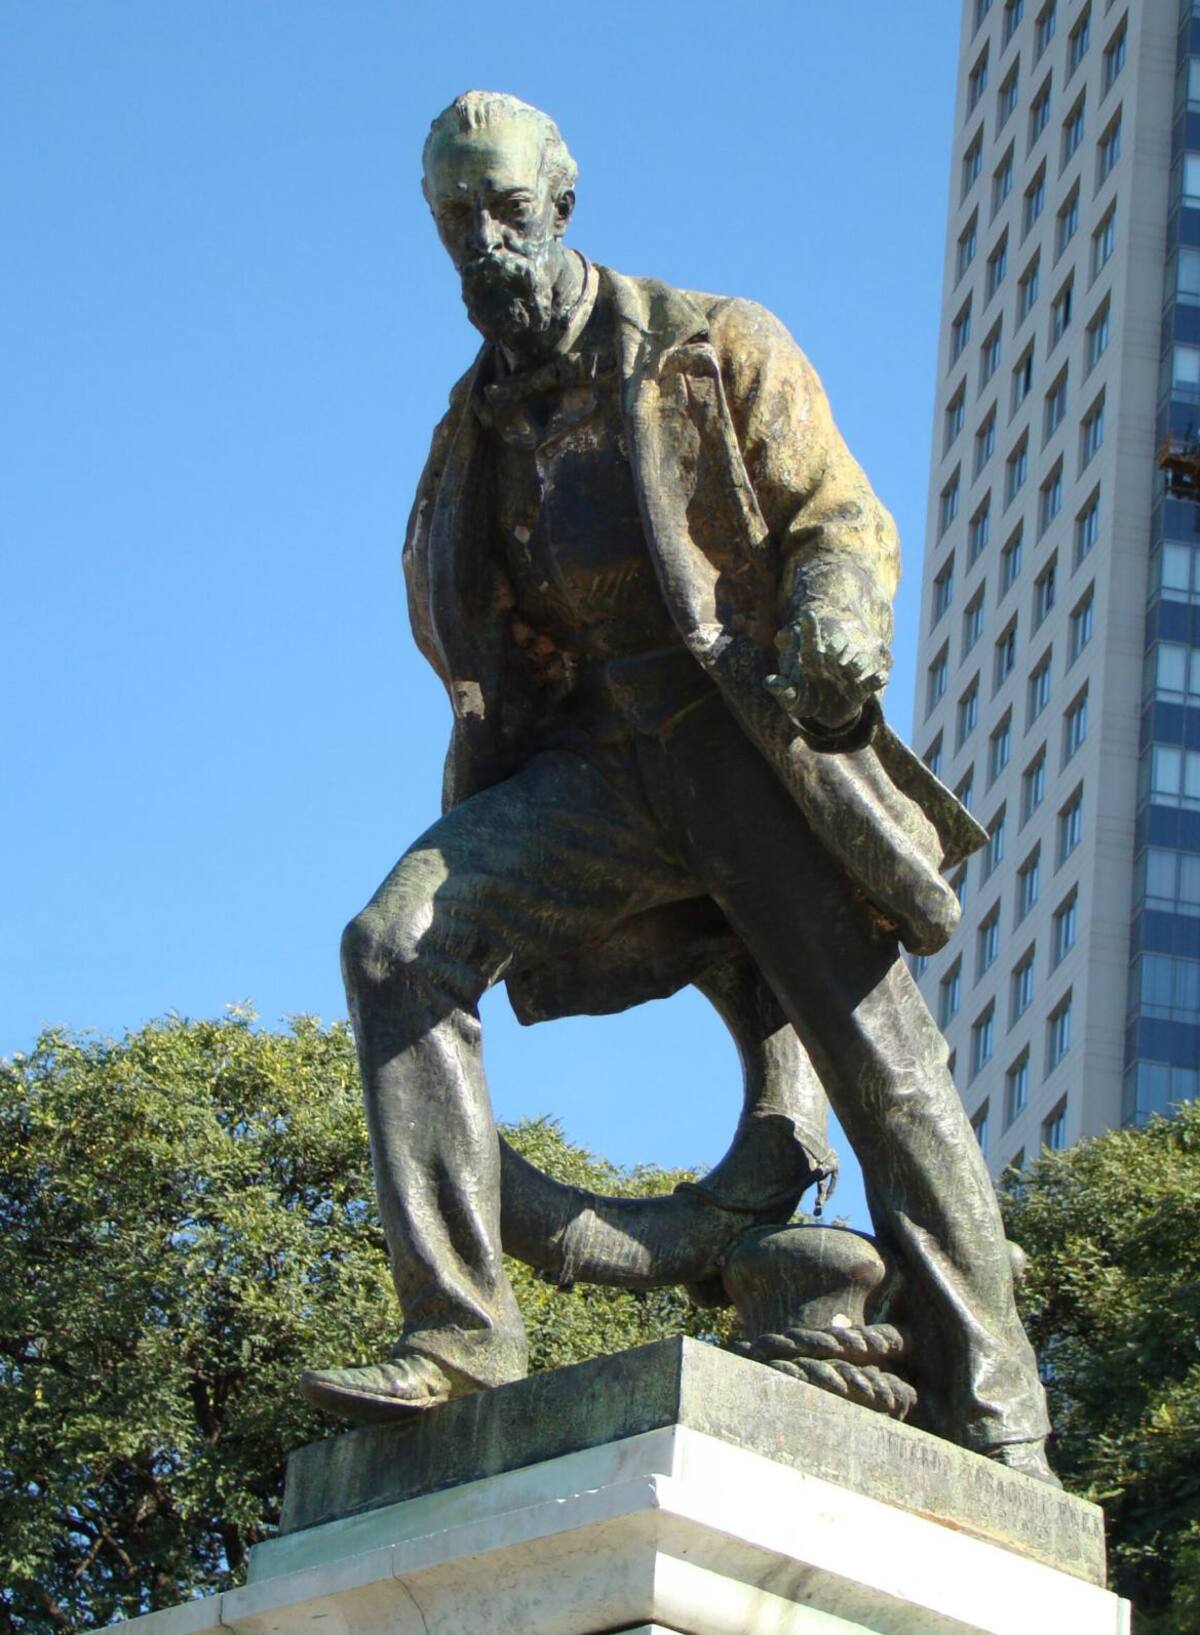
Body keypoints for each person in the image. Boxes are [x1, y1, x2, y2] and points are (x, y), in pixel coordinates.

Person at [301, 91, 1055, 1480]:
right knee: (394, 947)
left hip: (747, 744)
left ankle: (1003, 1425)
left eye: (507, 211)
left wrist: (839, 622)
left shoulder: (713, 343)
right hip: (596, 773)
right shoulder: (468, 432)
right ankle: (460, 1332)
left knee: (889, 1080)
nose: (486, 245)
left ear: (562, 204)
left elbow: (838, 518)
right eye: (456, 221)